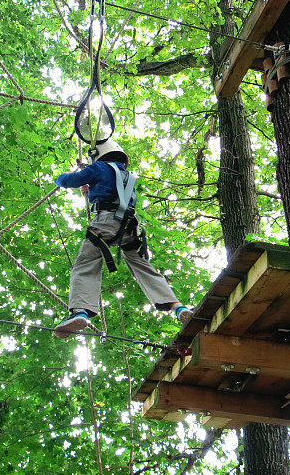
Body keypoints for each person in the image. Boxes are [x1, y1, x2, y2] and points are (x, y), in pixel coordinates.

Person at [53, 139, 193, 338]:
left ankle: (80, 311)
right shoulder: (128, 176)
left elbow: (71, 181)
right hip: (130, 227)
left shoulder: (99, 166)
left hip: (105, 222)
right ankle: (177, 307)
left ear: (99, 156)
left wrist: (61, 178)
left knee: (85, 263)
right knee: (144, 267)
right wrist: (91, 191)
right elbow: (114, 194)